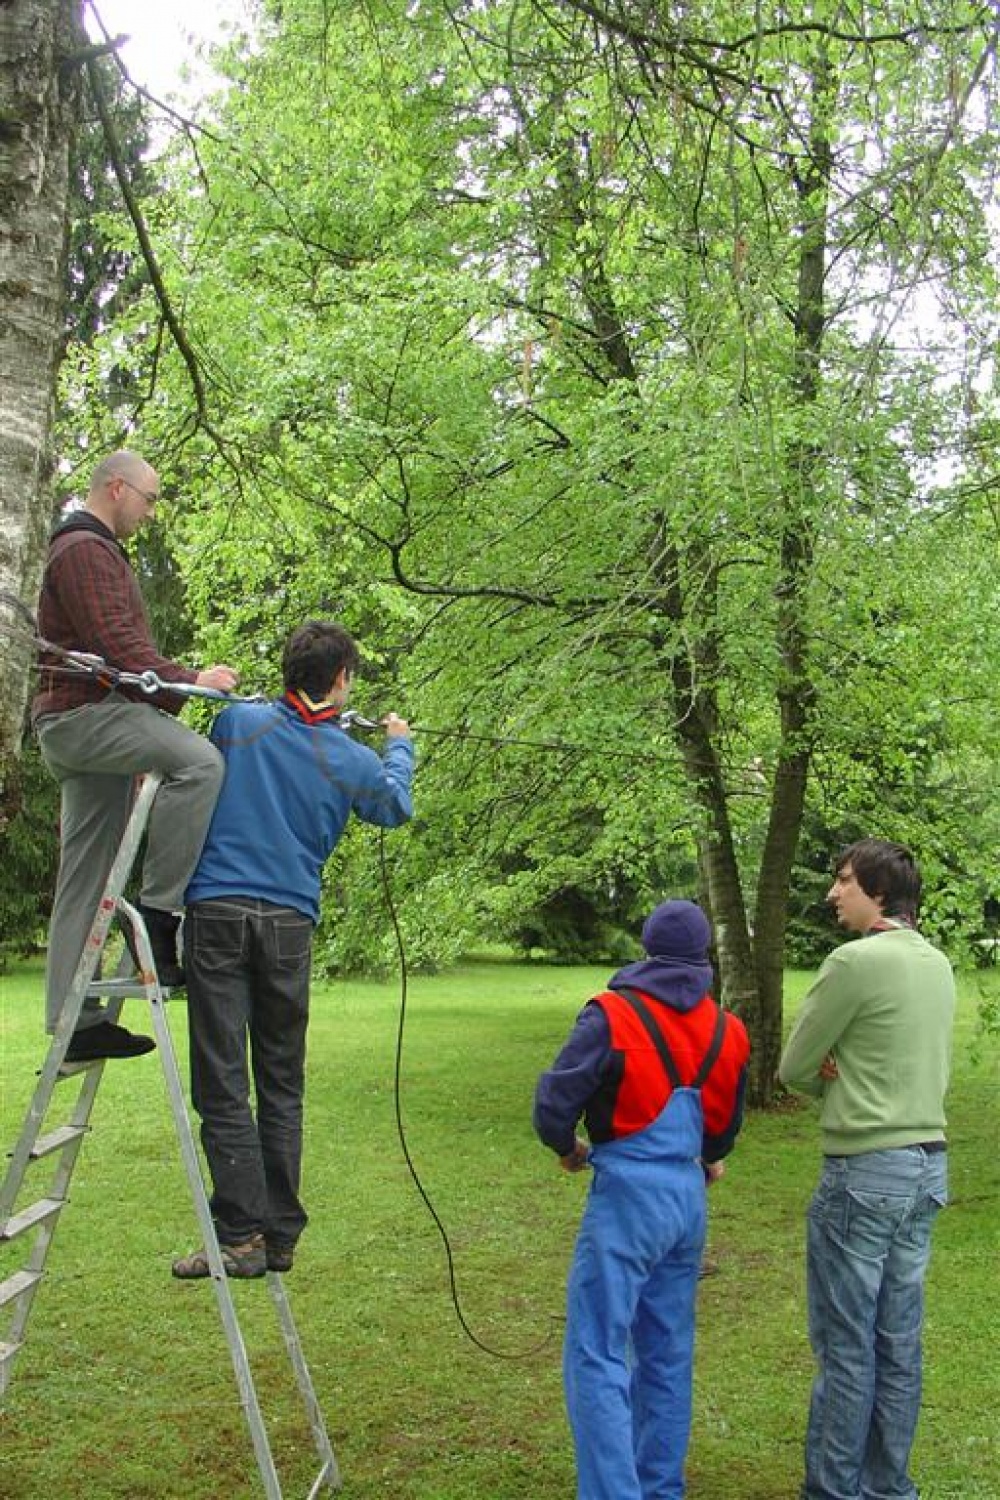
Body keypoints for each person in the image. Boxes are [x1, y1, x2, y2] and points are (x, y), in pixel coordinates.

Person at [171, 619, 414, 1280]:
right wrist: (397, 745)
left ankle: (243, 1235)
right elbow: (394, 807)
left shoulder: (237, 726)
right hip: (286, 922)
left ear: (289, 672)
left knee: (223, 1079)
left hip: (218, 911)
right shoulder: (355, 761)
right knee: (281, 1083)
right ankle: (275, 1237)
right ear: (341, 679)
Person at [533, 899, 750, 1500]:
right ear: (703, 956)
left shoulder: (611, 1014)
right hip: (687, 1199)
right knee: (667, 1353)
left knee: (596, 1350)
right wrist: (706, 1157)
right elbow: (723, 1131)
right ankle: (659, 1487)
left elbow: (553, 1104)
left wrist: (569, 1147)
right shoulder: (729, 1030)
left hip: (627, 1195)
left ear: (647, 946)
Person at [32, 450, 239, 1062]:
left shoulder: (86, 551)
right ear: (116, 488)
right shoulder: (84, 550)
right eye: (149, 499)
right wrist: (193, 678)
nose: (151, 512)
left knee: (86, 879)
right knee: (201, 763)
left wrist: (172, 682)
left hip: (72, 726)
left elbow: (117, 650)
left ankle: (74, 1024)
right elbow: (117, 647)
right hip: (85, 719)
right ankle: (158, 912)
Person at [778, 839, 954, 1500]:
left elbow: (793, 1067)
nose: (832, 894)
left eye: (844, 881)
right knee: (898, 1343)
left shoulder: (853, 962)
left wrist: (833, 1081)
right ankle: (888, 1488)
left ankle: (831, 1491)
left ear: (879, 892)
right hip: (928, 1170)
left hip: (865, 1173)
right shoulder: (939, 964)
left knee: (848, 1345)